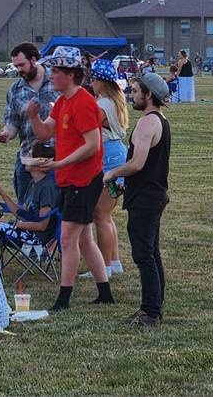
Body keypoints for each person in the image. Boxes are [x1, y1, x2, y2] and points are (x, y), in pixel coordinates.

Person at [26, 45, 114, 311]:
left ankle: (64, 298)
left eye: (55, 71)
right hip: (68, 178)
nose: (50, 75)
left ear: (70, 74)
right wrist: (33, 117)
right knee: (84, 238)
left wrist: (60, 163)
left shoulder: (84, 102)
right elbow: (44, 134)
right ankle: (105, 293)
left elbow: (93, 144)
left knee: (67, 239)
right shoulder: (63, 101)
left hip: (84, 180)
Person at [104, 73, 171, 327]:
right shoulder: (160, 120)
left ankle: (150, 313)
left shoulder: (146, 123)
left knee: (144, 255)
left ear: (148, 95)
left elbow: (137, 163)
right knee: (151, 253)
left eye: (134, 91)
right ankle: (154, 307)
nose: (131, 95)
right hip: (152, 195)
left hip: (145, 199)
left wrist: (112, 172)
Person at [0, 141, 59, 254]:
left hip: (35, 239)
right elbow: (22, 213)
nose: (25, 158)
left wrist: (11, 224)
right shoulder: (33, 183)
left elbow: (41, 226)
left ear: (40, 163)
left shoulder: (47, 188)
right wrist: (2, 192)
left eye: (29, 156)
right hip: (25, 231)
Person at [0, 42, 59, 201]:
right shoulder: (15, 89)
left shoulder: (56, 81)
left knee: (55, 208)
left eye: (21, 65)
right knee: (25, 206)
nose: (18, 70)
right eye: (15, 66)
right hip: (27, 157)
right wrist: (7, 134)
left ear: (33, 60)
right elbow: (12, 120)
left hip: (56, 157)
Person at [86, 59, 128, 277]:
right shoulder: (111, 101)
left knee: (100, 214)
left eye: (93, 79)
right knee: (106, 215)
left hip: (109, 162)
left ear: (102, 81)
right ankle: (114, 261)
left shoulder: (102, 105)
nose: (90, 82)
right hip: (116, 158)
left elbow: (87, 126)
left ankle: (104, 266)